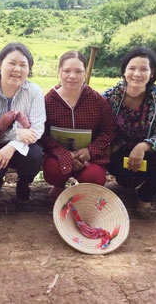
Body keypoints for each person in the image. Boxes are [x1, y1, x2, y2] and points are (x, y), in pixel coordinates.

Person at [0, 42, 45, 212]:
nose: (17, 69)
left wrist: (13, 144)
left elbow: (37, 129)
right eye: (12, 63)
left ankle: (23, 185)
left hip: (24, 144)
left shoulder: (34, 91)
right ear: (0, 65)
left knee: (34, 156)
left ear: (29, 69)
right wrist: (15, 134)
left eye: (23, 65)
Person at [102, 47, 156, 218]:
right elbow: (98, 127)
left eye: (143, 69)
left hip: (147, 154)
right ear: (124, 70)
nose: (137, 74)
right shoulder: (110, 97)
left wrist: (144, 146)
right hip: (117, 151)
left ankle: (145, 196)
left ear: (152, 72)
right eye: (132, 68)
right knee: (127, 181)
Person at [40, 51, 117, 203]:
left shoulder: (97, 100)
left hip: (89, 157)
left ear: (85, 73)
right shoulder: (48, 101)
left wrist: (91, 151)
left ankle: (84, 192)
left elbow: (109, 129)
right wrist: (64, 154)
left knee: (94, 177)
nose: (72, 76)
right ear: (59, 72)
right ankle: (59, 185)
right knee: (53, 171)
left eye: (78, 71)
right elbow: (41, 133)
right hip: (58, 155)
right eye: (67, 71)